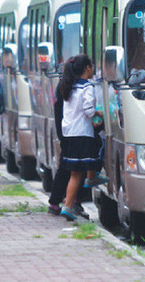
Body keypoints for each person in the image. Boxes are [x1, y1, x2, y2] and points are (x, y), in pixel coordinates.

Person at [59, 54, 107, 221]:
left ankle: (91, 178)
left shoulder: (69, 86)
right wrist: (98, 113)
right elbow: (88, 110)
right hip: (81, 133)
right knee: (81, 168)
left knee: (75, 172)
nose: (93, 69)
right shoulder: (87, 87)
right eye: (92, 66)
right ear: (87, 68)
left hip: (70, 133)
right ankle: (69, 205)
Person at [48, 79, 89, 219]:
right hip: (72, 132)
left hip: (66, 131)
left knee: (71, 168)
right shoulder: (72, 85)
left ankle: (67, 202)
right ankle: (62, 202)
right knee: (72, 169)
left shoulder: (66, 84)